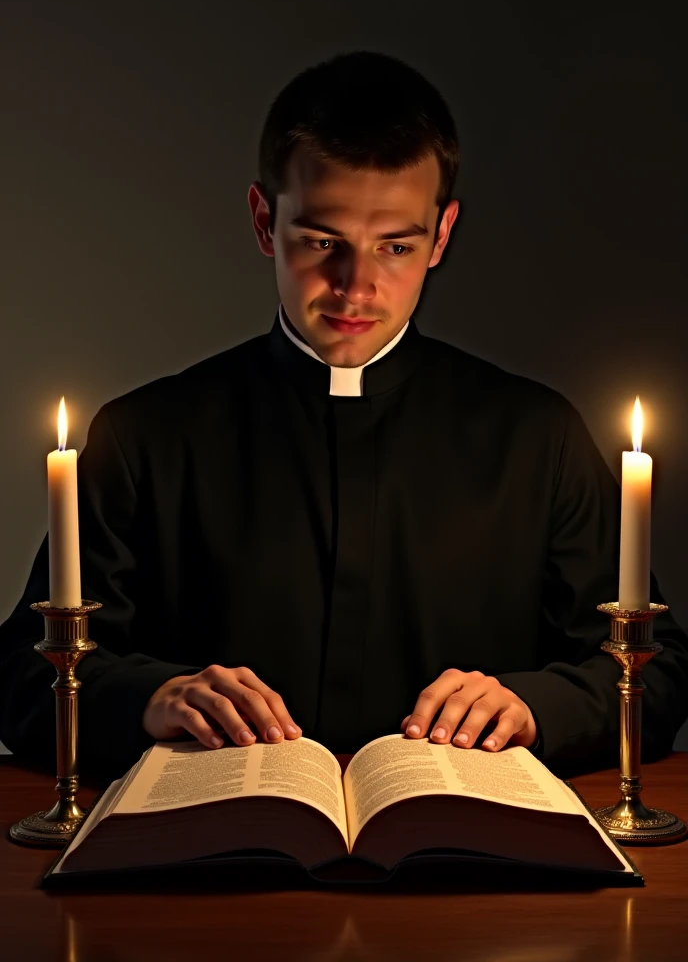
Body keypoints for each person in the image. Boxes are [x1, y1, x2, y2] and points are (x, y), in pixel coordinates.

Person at [1, 50, 687, 781]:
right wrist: (149, 697)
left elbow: (663, 670)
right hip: (211, 869)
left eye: (396, 246)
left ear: (443, 236)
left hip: (463, 869)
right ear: (266, 221)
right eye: (322, 242)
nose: (356, 285)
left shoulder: (538, 437)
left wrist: (536, 706)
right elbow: (18, 676)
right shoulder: (143, 437)